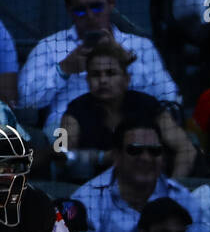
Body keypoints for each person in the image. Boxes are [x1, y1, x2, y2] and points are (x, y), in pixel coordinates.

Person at [19, 0, 181, 134]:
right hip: (69, 134)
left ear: (111, 2)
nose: (90, 16)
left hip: (130, 135)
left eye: (96, 7)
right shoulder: (50, 47)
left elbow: (170, 98)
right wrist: (63, 70)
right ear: (69, 10)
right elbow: (24, 102)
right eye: (80, 11)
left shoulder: (140, 46)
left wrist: (126, 60)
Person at [72, 116, 203, 232]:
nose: (146, 158)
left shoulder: (183, 199)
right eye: (135, 150)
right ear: (116, 155)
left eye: (154, 151)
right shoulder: (87, 200)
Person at [58, 40, 196, 180]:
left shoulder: (148, 105)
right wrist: (102, 157)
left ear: (126, 79)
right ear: (87, 80)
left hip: (148, 187)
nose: (103, 80)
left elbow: (186, 149)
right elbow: (60, 154)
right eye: (96, 74)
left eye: (110, 73)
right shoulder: (75, 110)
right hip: (92, 189)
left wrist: (173, 187)